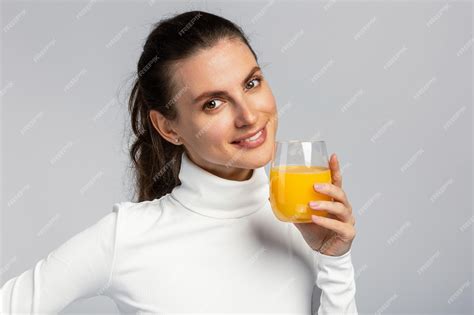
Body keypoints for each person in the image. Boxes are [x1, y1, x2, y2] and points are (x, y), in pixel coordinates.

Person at [1, 10, 358, 314]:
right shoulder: (126, 237)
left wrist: (334, 260)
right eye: (213, 103)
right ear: (168, 128)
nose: (249, 115)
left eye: (251, 83)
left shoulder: (306, 221)